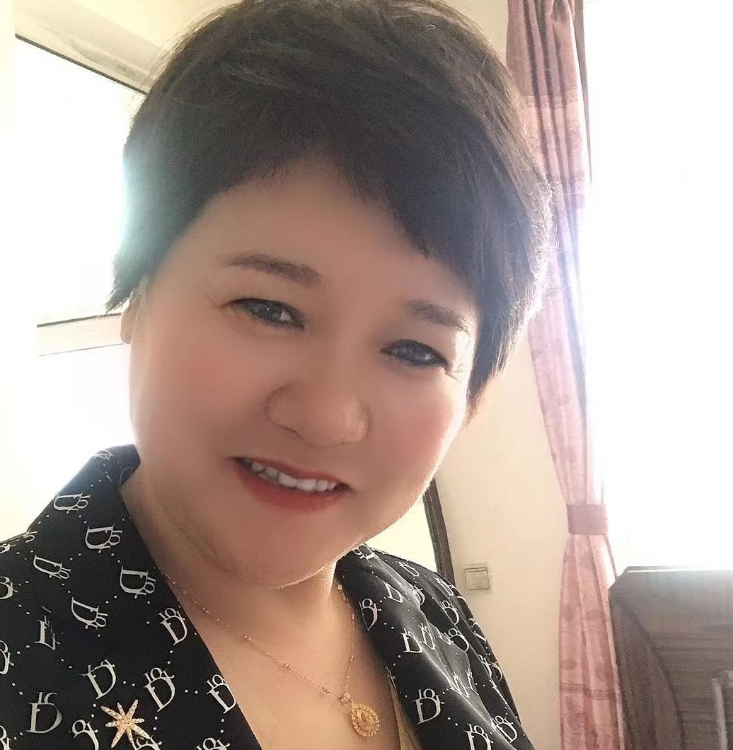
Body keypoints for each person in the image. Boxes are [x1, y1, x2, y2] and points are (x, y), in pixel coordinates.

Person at [0, 0, 551, 747]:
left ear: (474, 393)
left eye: (415, 351)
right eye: (268, 308)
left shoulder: (438, 614)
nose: (326, 416)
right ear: (137, 292)